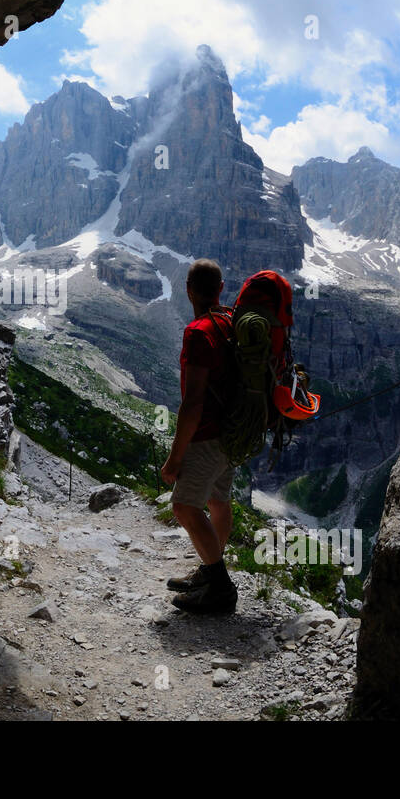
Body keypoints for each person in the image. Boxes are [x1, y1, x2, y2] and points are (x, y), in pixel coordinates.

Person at [160, 258, 238, 614]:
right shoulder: (231, 322)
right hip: (233, 433)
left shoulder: (199, 332)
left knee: (184, 506)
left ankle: (220, 588)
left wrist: (175, 458)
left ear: (188, 290)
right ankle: (210, 571)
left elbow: (193, 403)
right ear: (221, 289)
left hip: (207, 436)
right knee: (219, 501)